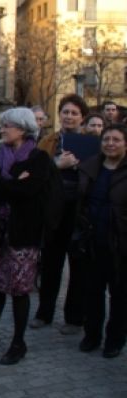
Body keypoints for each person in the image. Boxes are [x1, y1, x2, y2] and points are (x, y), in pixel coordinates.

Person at [0, 108, 50, 365]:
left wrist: (1, 183)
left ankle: (18, 342)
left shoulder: (39, 158)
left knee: (19, 290)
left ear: (24, 129)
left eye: (8, 125)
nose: (2, 129)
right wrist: (13, 182)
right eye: (3, 125)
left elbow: (31, 192)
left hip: (22, 234)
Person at [31, 93, 94, 334]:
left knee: (78, 266)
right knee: (51, 263)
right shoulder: (48, 141)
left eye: (74, 113)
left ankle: (74, 317)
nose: (69, 117)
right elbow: (35, 171)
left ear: (82, 118)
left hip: (79, 212)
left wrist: (80, 166)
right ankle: (44, 312)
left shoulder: (92, 143)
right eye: (65, 112)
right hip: (54, 209)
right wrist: (56, 166)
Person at [77, 123, 127, 359]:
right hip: (92, 241)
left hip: (120, 245)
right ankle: (92, 335)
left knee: (119, 295)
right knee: (92, 292)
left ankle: (115, 339)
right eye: (107, 139)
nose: (110, 144)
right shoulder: (90, 167)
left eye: (116, 140)